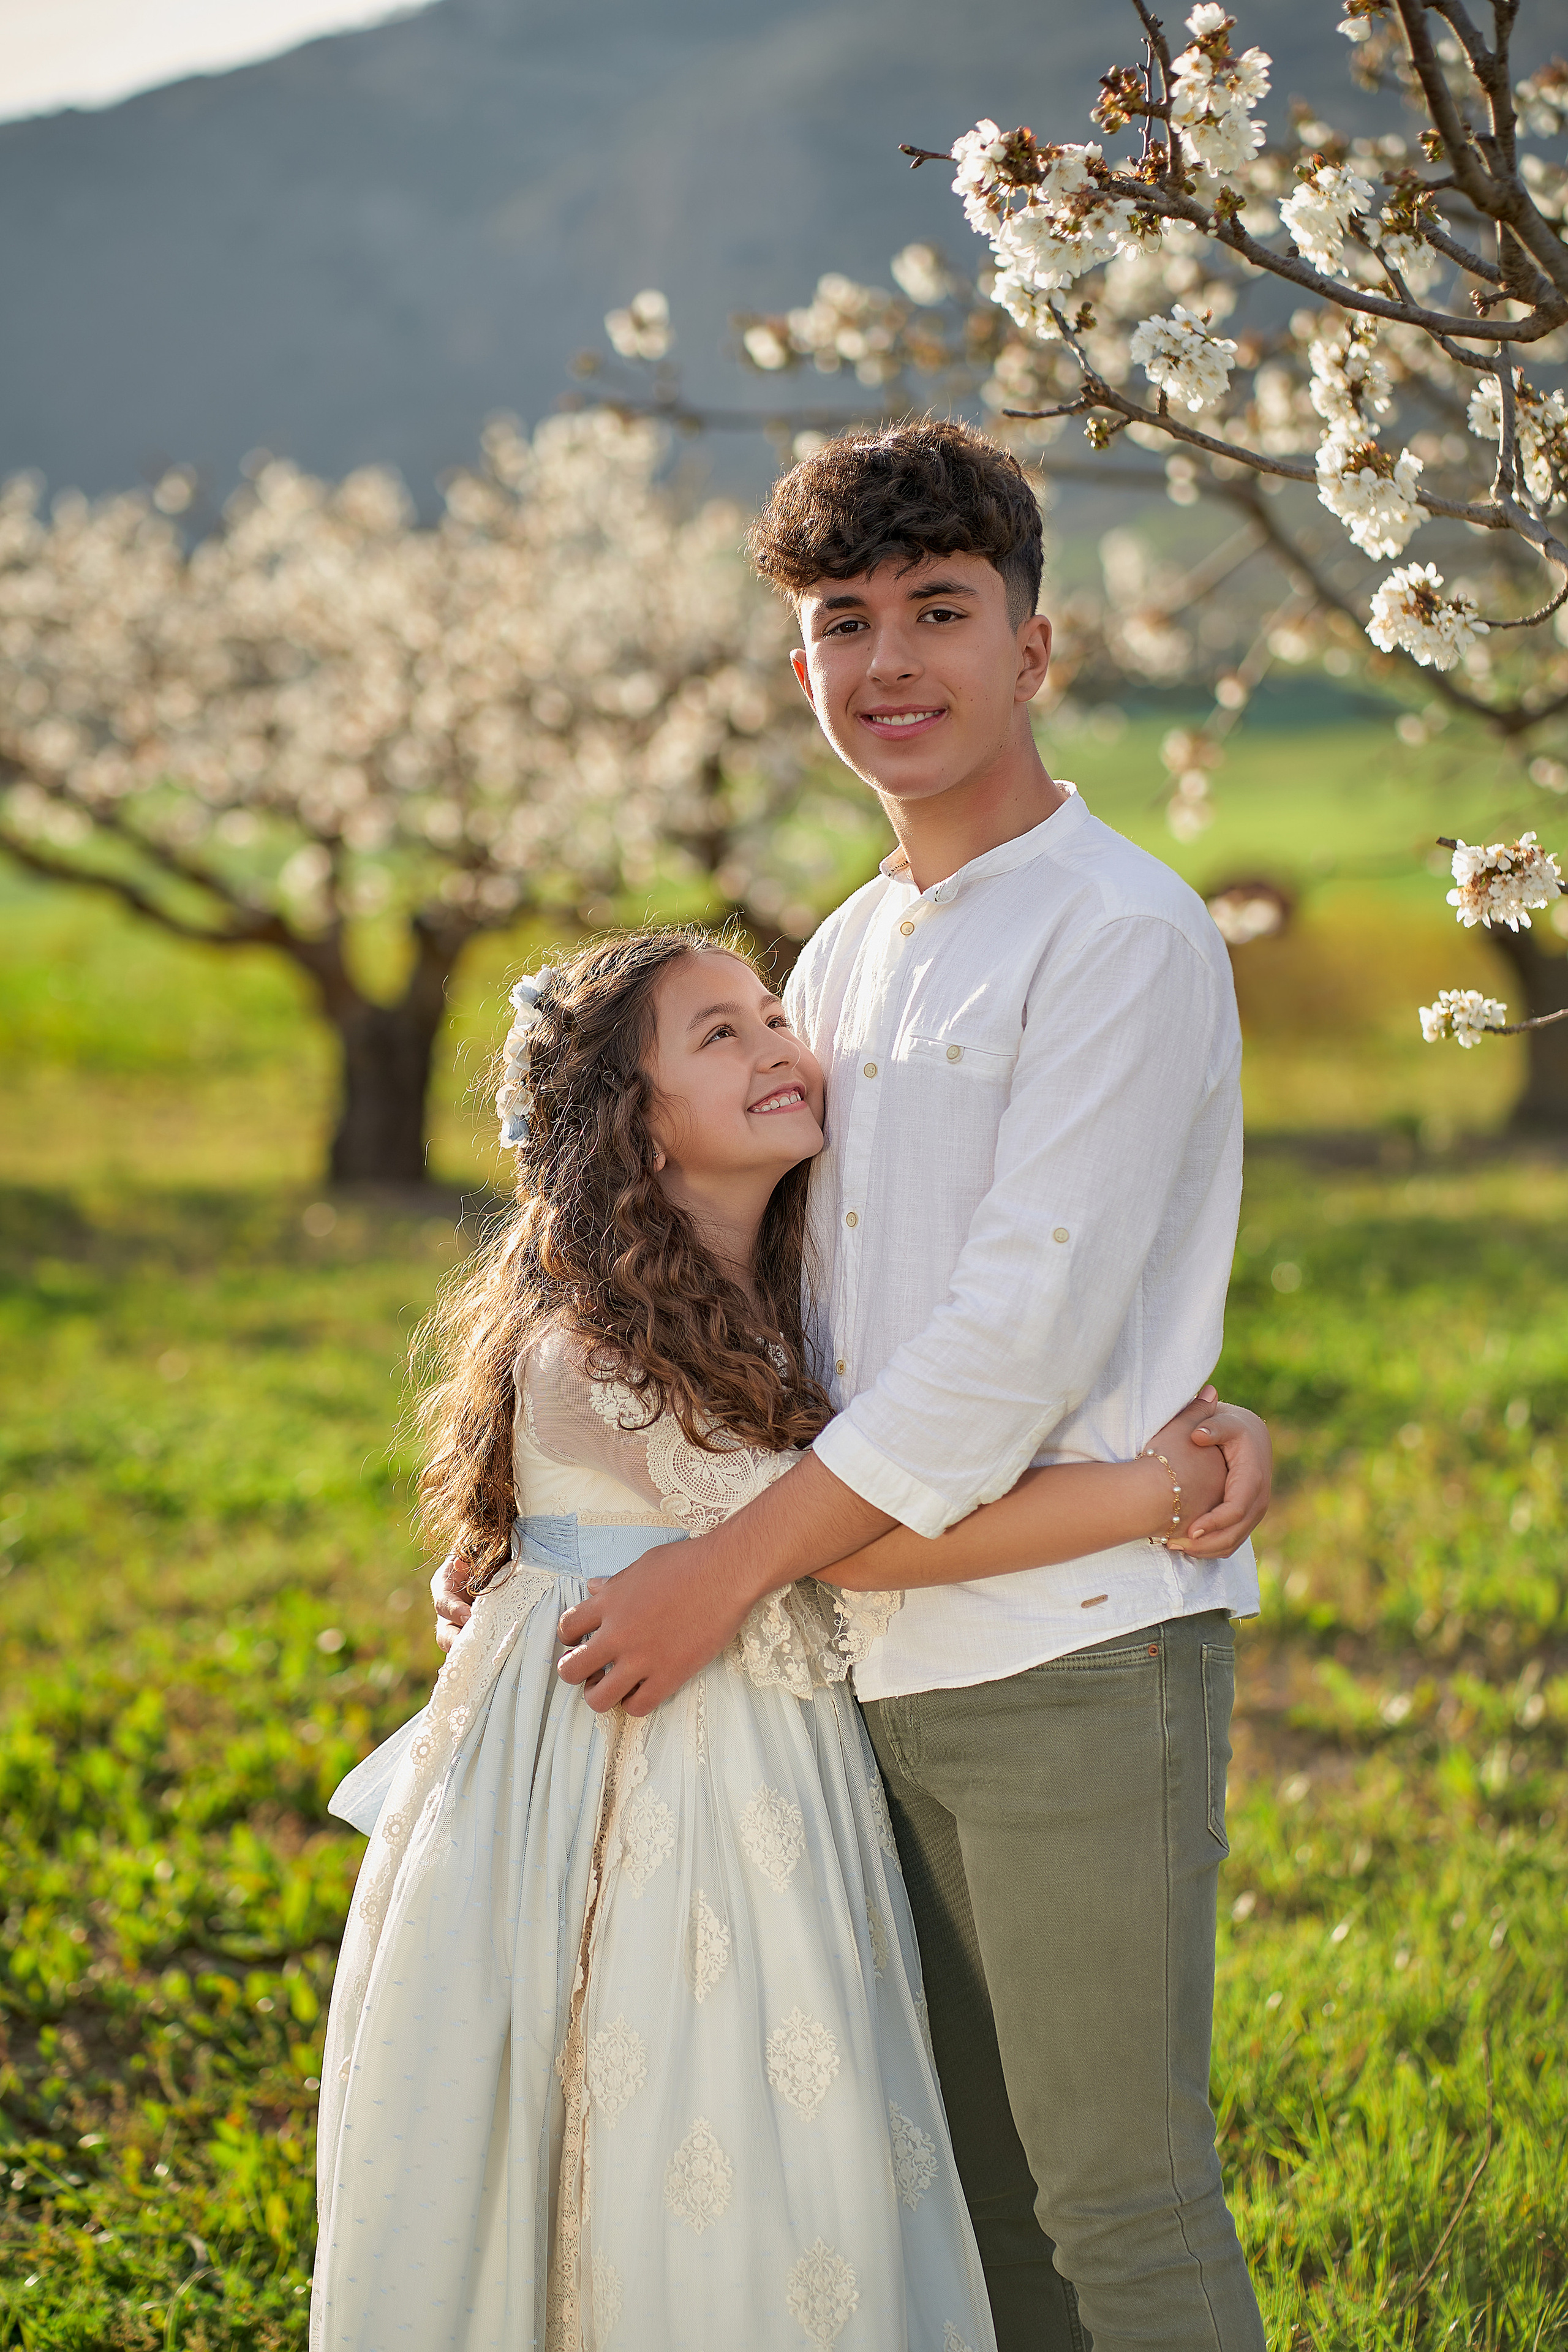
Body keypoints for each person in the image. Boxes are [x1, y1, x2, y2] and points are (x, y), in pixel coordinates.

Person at [498, 421, 1274, 2350]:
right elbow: (747, 1299)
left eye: (943, 610)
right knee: (968, 2195)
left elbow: (1013, 1334)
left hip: (1072, 1653)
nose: (893, 663)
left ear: (1036, 644)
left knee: (1121, 2195)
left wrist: (724, 1570)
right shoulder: (840, 957)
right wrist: (531, 1524)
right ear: (803, 671)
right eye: (848, 623)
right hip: (852, 1667)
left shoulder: (1118, 931)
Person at [315, 925, 1268, 2351]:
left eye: (772, 1014)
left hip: (760, 1765)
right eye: (720, 1036)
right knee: (681, 2130)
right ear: (634, 1132)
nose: (780, 1046)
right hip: (652, 1800)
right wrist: (1162, 1486)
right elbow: (857, 1526)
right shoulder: (599, 1346)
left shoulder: (759, 1309)